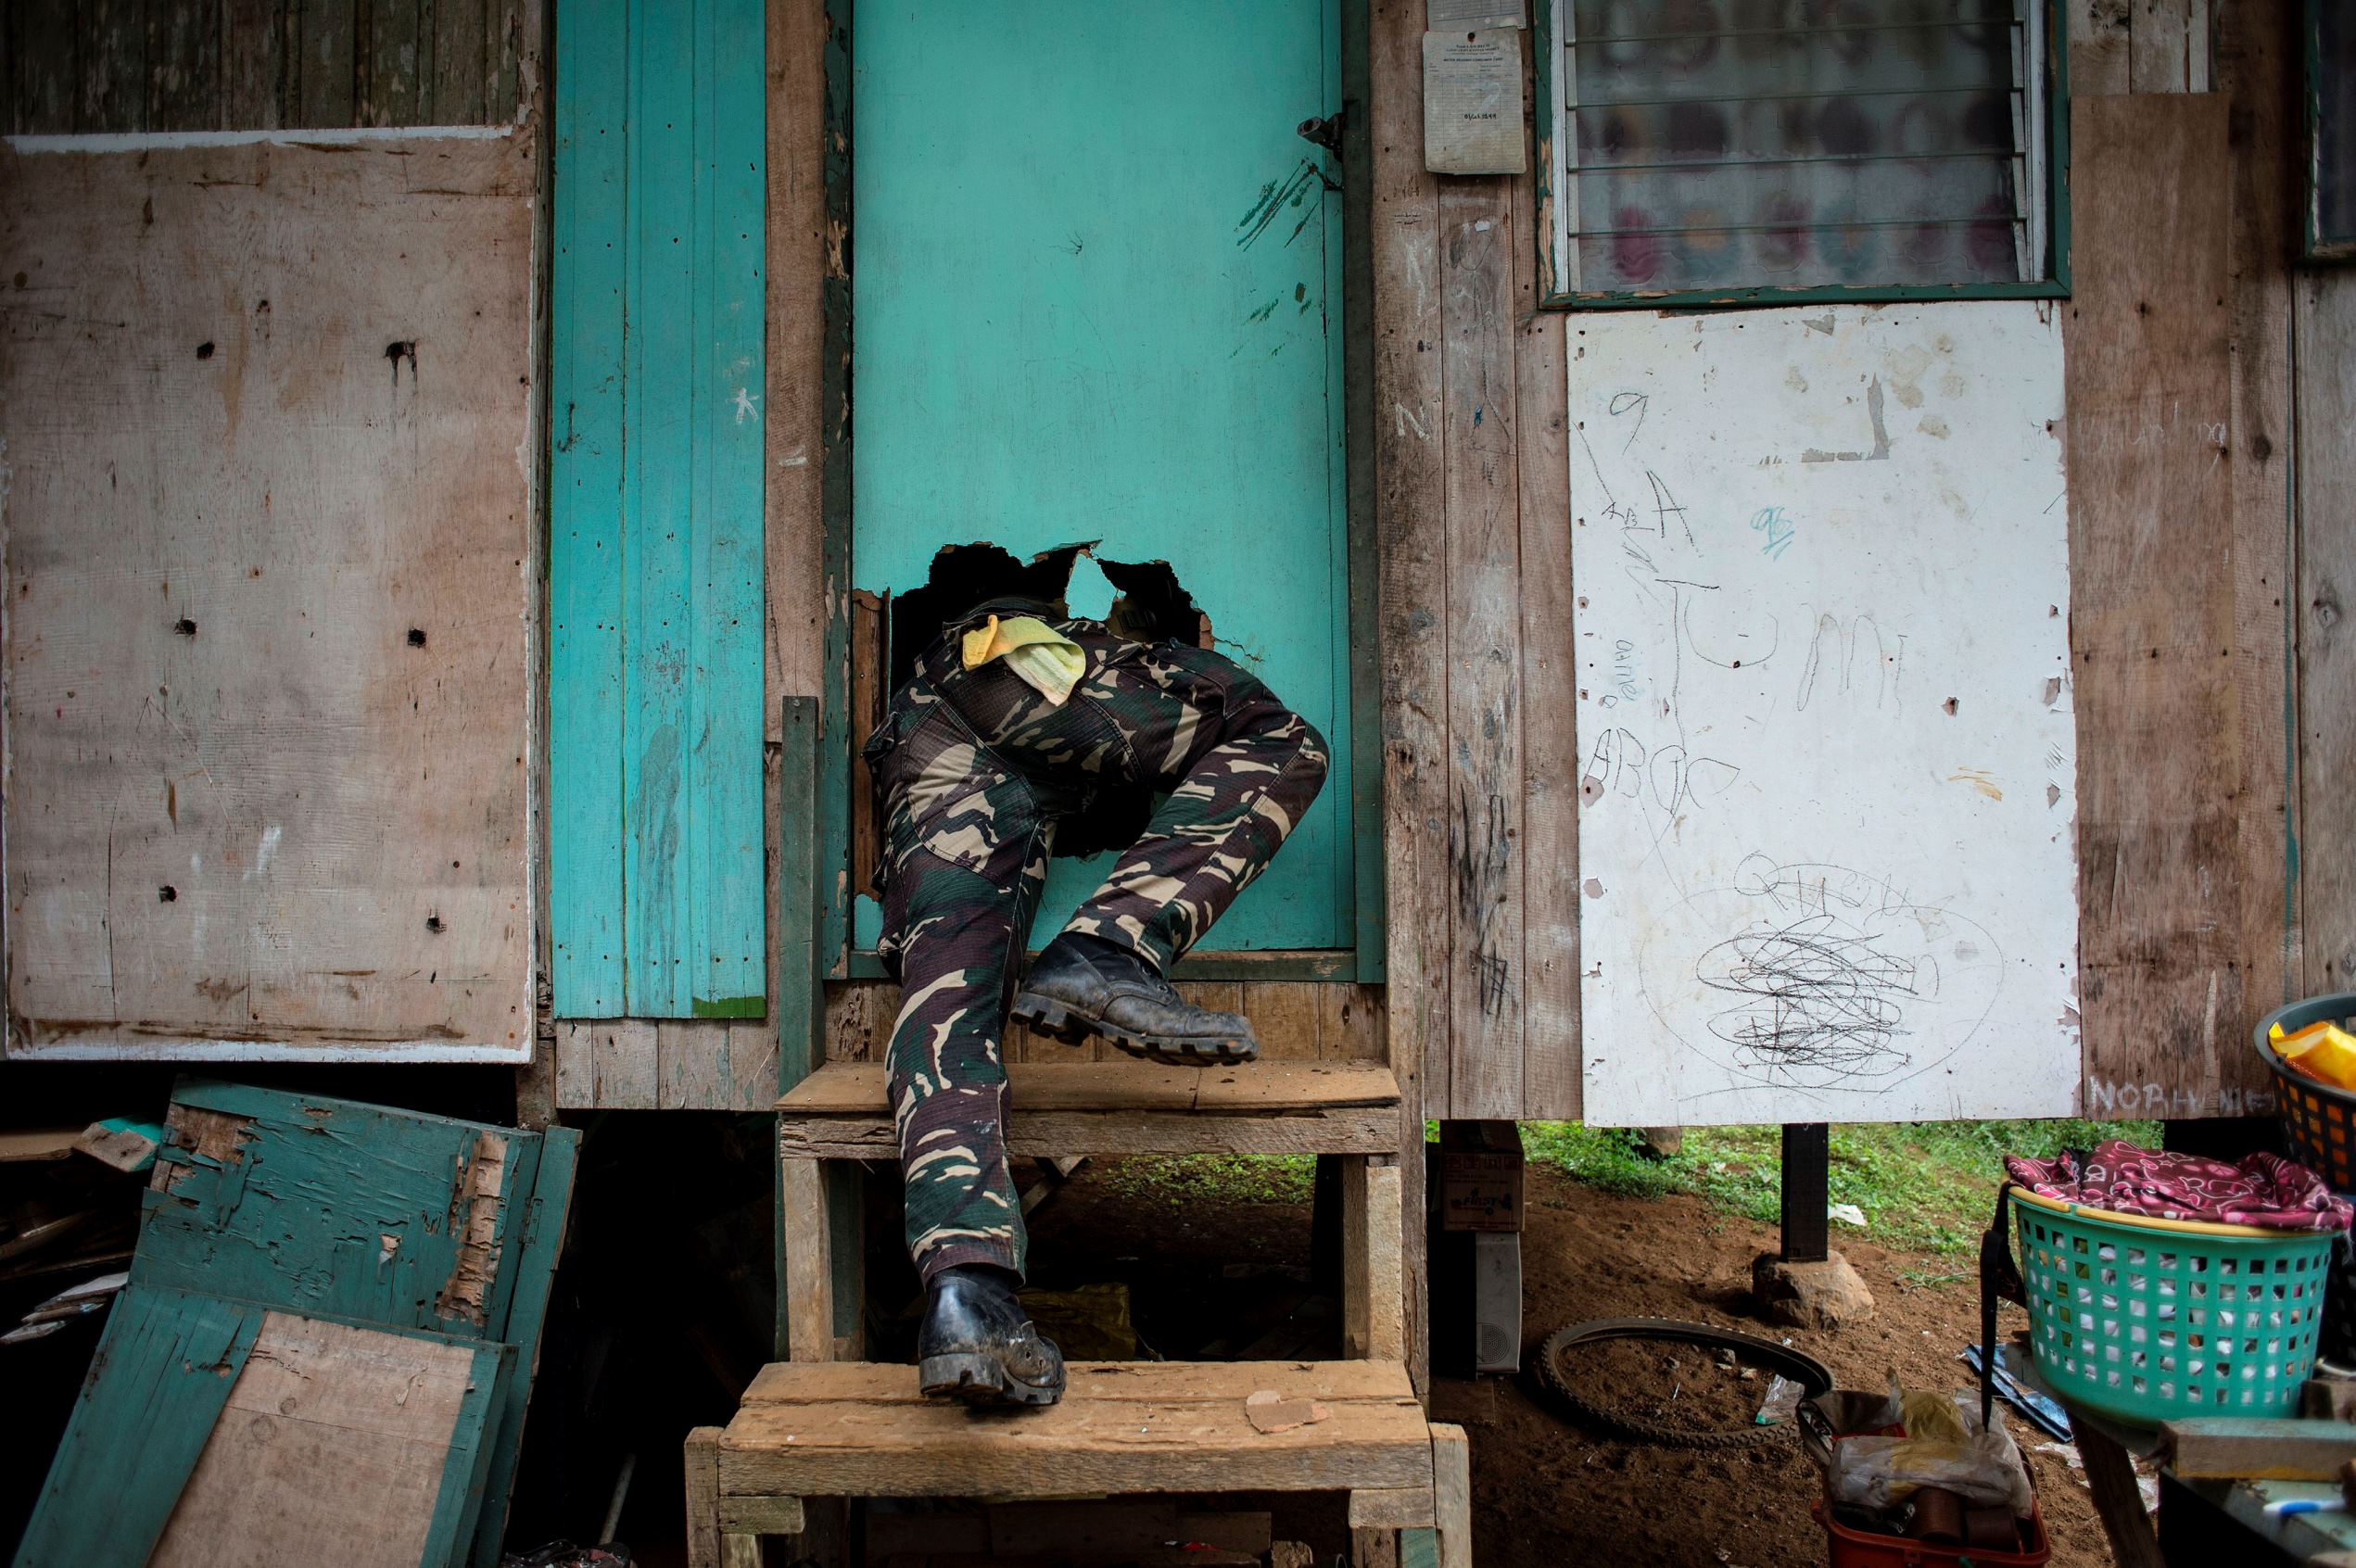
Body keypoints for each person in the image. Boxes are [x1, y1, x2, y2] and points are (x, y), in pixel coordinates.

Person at [862, 550, 1327, 1408]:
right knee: (1279, 737)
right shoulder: (1079, 634)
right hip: (1010, 649)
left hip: (921, 737)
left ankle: (970, 1299)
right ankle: (1108, 949)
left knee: (949, 1017)